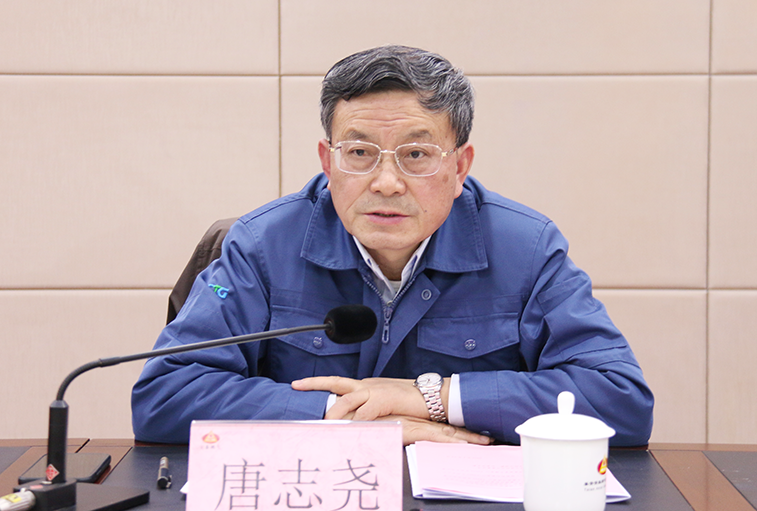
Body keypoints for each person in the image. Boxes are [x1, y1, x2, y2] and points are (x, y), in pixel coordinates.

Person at [131, 45, 653, 447]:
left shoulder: (526, 249)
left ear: (460, 166)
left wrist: (431, 398)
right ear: (328, 161)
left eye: (416, 154)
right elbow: (165, 396)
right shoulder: (263, 245)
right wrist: (349, 419)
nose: (385, 182)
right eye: (359, 152)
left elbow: (620, 400)